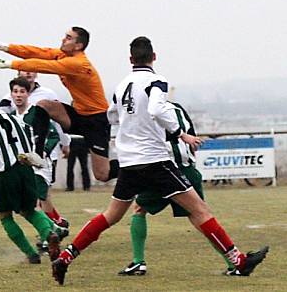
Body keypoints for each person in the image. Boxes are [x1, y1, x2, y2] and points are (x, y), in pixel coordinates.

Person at [51, 36, 268, 285]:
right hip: (155, 161)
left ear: (130, 60)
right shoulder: (157, 81)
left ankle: (66, 257)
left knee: (110, 215)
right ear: (154, 57)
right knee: (199, 210)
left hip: (129, 162)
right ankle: (238, 261)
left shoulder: (122, 86)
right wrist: (180, 133)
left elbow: (112, 115)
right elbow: (156, 108)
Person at [118, 101, 236, 276]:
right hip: (188, 168)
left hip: (164, 171)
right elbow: (193, 141)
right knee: (200, 216)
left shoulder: (147, 111)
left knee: (139, 209)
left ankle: (138, 262)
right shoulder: (178, 107)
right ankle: (233, 262)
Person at [0, 27, 119, 182]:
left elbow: (45, 66)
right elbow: (36, 52)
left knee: (102, 175)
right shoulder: (62, 54)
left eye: (69, 38)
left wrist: (9, 64)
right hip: (78, 115)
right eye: (65, 36)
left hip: (97, 120)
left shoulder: (79, 63)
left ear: (78, 46)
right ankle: (38, 154)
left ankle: (133, 166)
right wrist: (4, 47)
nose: (63, 39)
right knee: (43, 105)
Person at [0, 93, 67, 264]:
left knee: (5, 215)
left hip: (4, 172)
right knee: (29, 210)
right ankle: (50, 234)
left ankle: (31, 255)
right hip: (24, 168)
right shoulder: (6, 115)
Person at [9, 77, 69, 230]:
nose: (18, 95)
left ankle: (47, 235)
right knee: (42, 199)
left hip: (41, 164)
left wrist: (42, 153)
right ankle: (56, 227)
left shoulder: (36, 113)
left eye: (22, 91)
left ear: (28, 94)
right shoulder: (11, 118)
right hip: (24, 165)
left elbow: (53, 135)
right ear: (11, 94)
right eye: (15, 92)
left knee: (37, 200)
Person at [0, 70, 71, 189]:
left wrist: (65, 142)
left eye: (31, 70)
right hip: (22, 155)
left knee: (42, 193)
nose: (28, 73)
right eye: (24, 70)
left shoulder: (48, 94)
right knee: (30, 194)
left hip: (47, 152)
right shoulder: (9, 99)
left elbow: (58, 121)